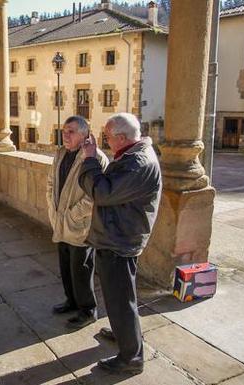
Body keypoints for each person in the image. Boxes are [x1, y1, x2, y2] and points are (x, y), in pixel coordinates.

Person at [78, 113, 162, 375]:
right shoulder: (131, 156)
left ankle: (131, 358)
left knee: (121, 300)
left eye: (107, 136)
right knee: (119, 297)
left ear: (122, 138)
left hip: (120, 241)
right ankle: (123, 334)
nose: (105, 140)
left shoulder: (137, 163)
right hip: (117, 235)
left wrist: (90, 160)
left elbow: (101, 192)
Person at [47, 116, 109, 329]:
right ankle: (71, 301)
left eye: (71, 131)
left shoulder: (95, 158)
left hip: (80, 225)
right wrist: (52, 210)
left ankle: (87, 310)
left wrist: (73, 215)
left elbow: (95, 196)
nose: (65, 134)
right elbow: (50, 183)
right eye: (64, 130)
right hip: (60, 221)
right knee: (65, 266)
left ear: (85, 135)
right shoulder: (61, 153)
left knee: (81, 269)